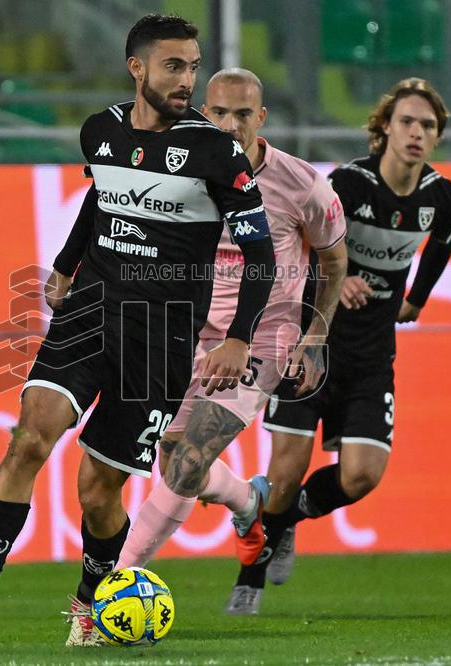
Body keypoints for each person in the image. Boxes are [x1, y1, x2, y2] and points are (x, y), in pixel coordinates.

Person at [0, 14, 276, 647]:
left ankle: (91, 605)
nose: (186, 80)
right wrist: (66, 265)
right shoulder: (101, 132)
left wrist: (237, 337)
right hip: (90, 311)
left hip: (163, 336)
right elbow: (102, 197)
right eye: (174, 66)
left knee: (97, 489)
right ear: (137, 68)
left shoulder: (216, 152)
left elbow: (261, 256)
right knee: (28, 439)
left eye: (193, 66)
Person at [225, 77, 451, 616]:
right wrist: (340, 275)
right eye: (407, 121)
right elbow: (296, 241)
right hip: (310, 342)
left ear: (438, 136)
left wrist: (417, 300)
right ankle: (250, 578)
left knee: (362, 475)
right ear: (384, 128)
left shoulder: (440, 198)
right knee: (282, 475)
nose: (416, 133)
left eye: (428, 125)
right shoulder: (349, 185)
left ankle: (289, 522)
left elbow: (443, 241)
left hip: (372, 355)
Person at [106, 67, 348, 585]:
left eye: (243, 114)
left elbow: (334, 262)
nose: (230, 124)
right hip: (189, 333)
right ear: (201, 114)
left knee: (193, 455)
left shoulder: (302, 184)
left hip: (262, 339)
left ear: (261, 118)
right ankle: (248, 499)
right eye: (218, 113)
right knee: (173, 460)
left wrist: (316, 338)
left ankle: (119, 580)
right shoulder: (179, 178)